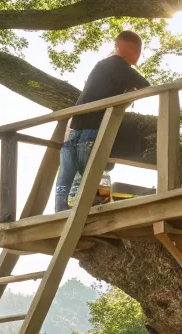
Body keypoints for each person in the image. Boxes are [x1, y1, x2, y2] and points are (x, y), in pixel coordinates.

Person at [54, 30, 150, 211]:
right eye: (137, 50)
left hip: (74, 127)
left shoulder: (100, 66)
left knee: (66, 180)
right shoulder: (123, 67)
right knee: (90, 175)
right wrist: (125, 101)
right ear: (123, 47)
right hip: (92, 128)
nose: (138, 55)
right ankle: (87, 212)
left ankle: (60, 213)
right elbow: (147, 87)